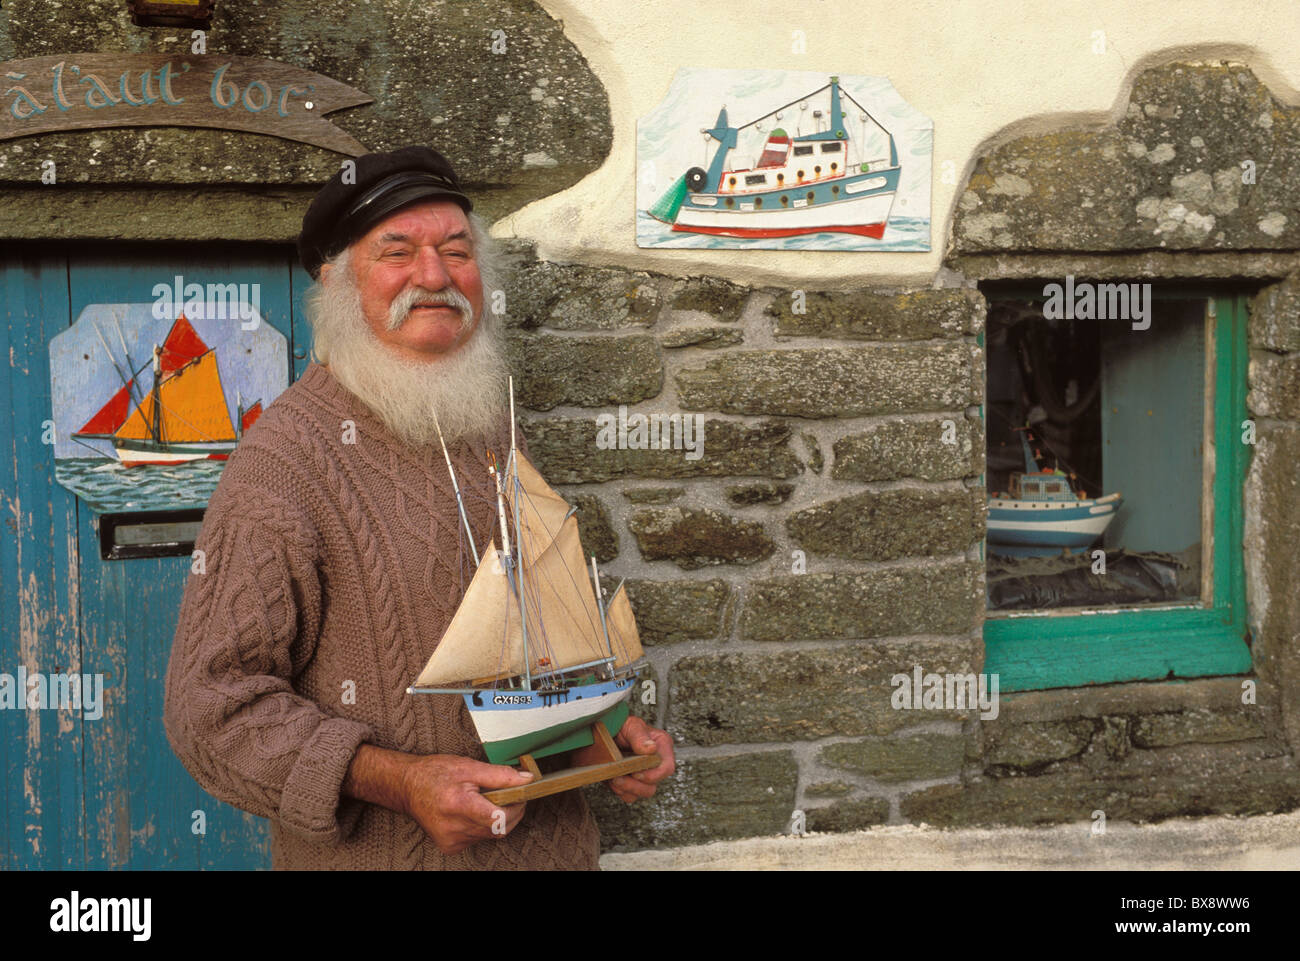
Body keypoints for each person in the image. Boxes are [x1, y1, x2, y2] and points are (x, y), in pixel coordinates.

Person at [163, 145, 674, 870]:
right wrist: (402, 781)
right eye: (396, 252)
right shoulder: (283, 464)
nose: (434, 277)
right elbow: (210, 711)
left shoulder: (490, 426)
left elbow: (538, 630)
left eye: (457, 252)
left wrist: (611, 732)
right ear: (336, 281)